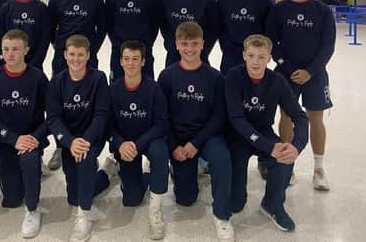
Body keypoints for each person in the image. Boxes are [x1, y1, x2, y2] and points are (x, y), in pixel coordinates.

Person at [157, 22, 234, 240]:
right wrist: (174, 146)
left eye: (194, 44)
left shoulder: (215, 77)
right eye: (184, 44)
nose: (189, 48)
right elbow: (163, 117)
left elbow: (219, 117)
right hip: (179, 139)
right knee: (186, 199)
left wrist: (196, 144)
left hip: (206, 137)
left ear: (203, 45)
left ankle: (222, 215)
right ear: (176, 46)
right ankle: (183, 170)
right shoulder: (167, 76)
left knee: (222, 158)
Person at [225, 34, 309, 232]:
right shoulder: (234, 77)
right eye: (251, 55)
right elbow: (236, 119)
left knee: (285, 157)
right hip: (238, 135)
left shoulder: (277, 81)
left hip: (263, 131)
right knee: (236, 204)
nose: (256, 61)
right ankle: (236, 194)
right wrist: (267, 146)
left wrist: (296, 147)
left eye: (261, 57)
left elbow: (299, 116)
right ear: (244, 55)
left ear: (269, 58)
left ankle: (272, 204)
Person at [266, 0, 336, 191]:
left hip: (314, 74)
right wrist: (287, 67)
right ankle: (288, 166)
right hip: (286, 74)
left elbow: (328, 46)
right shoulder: (279, 9)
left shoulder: (322, 10)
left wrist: (310, 71)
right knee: (286, 118)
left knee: (316, 119)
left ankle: (318, 168)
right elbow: (272, 43)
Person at [0, 29, 49, 238]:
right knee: (12, 200)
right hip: (6, 142)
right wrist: (13, 139)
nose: (10, 54)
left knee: (29, 162)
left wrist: (35, 138)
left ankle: (33, 209)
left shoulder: (38, 77)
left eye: (15, 49)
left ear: (26, 51)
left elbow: (53, 116)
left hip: (31, 140)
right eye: (6, 49)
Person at [46, 35, 111, 242]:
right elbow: (53, 119)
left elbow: (101, 115)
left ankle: (84, 215)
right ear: (65, 55)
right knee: (74, 195)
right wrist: (69, 141)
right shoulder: (56, 82)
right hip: (69, 140)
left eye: (80, 55)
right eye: (72, 54)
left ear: (88, 55)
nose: (76, 59)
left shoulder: (98, 78)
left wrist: (85, 141)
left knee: (85, 161)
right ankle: (107, 173)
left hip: (92, 138)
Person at [109, 40, 169, 240]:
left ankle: (155, 209)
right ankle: (114, 172)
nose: (131, 63)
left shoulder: (153, 88)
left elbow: (161, 124)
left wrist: (138, 144)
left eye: (135, 59)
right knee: (131, 200)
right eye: (126, 59)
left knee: (161, 153)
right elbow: (107, 124)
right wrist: (120, 143)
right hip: (125, 144)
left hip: (148, 140)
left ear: (144, 62)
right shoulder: (114, 89)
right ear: (120, 62)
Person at [105, 0, 160, 81]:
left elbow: (155, 24)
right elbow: (108, 24)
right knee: (117, 88)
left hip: (144, 52)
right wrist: (118, 42)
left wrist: (145, 43)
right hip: (119, 52)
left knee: (146, 88)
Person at [49, 0, 106, 75]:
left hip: (87, 55)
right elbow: (50, 28)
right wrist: (60, 45)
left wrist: (92, 48)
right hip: (62, 56)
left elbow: (102, 28)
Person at [217, 0, 272, 76]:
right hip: (230, 58)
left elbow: (269, 31)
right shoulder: (223, 2)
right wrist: (226, 48)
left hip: (255, 58)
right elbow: (219, 29)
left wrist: (262, 52)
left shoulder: (263, 2)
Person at [159, 0, 218, 66]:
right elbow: (164, 26)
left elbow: (213, 29)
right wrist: (172, 45)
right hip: (174, 54)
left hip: (199, 55)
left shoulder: (207, 0)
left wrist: (202, 48)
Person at [0, 0, 51, 71]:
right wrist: (4, 58)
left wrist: (36, 61)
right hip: (10, 63)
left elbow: (45, 38)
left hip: (34, 64)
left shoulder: (41, 9)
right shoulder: (5, 8)